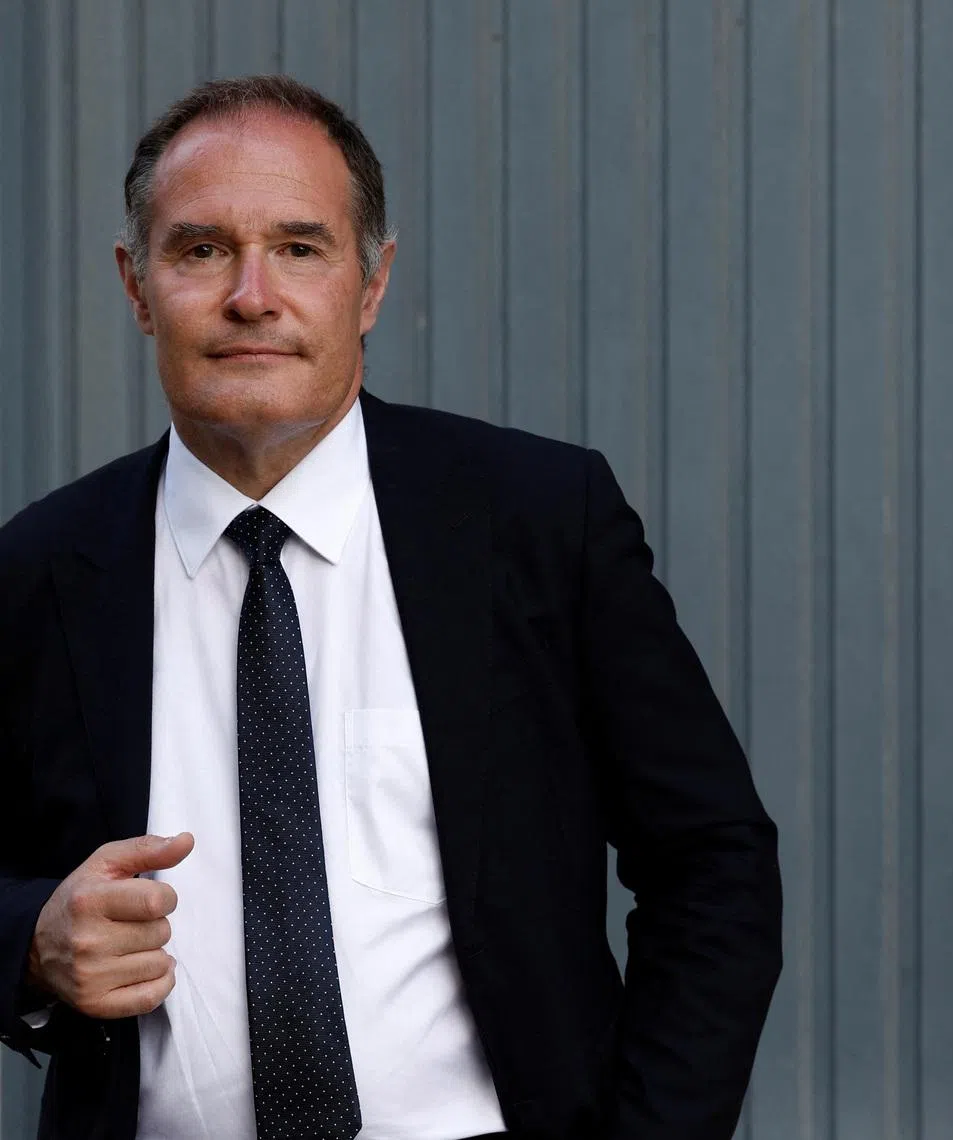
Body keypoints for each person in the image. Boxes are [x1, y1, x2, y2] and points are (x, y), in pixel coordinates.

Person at [0, 75, 781, 1140]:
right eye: (200, 250)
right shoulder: (38, 569)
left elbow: (713, 862)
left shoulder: (541, 526)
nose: (252, 295)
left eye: (301, 247)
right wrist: (29, 944)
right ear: (137, 288)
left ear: (372, 283)